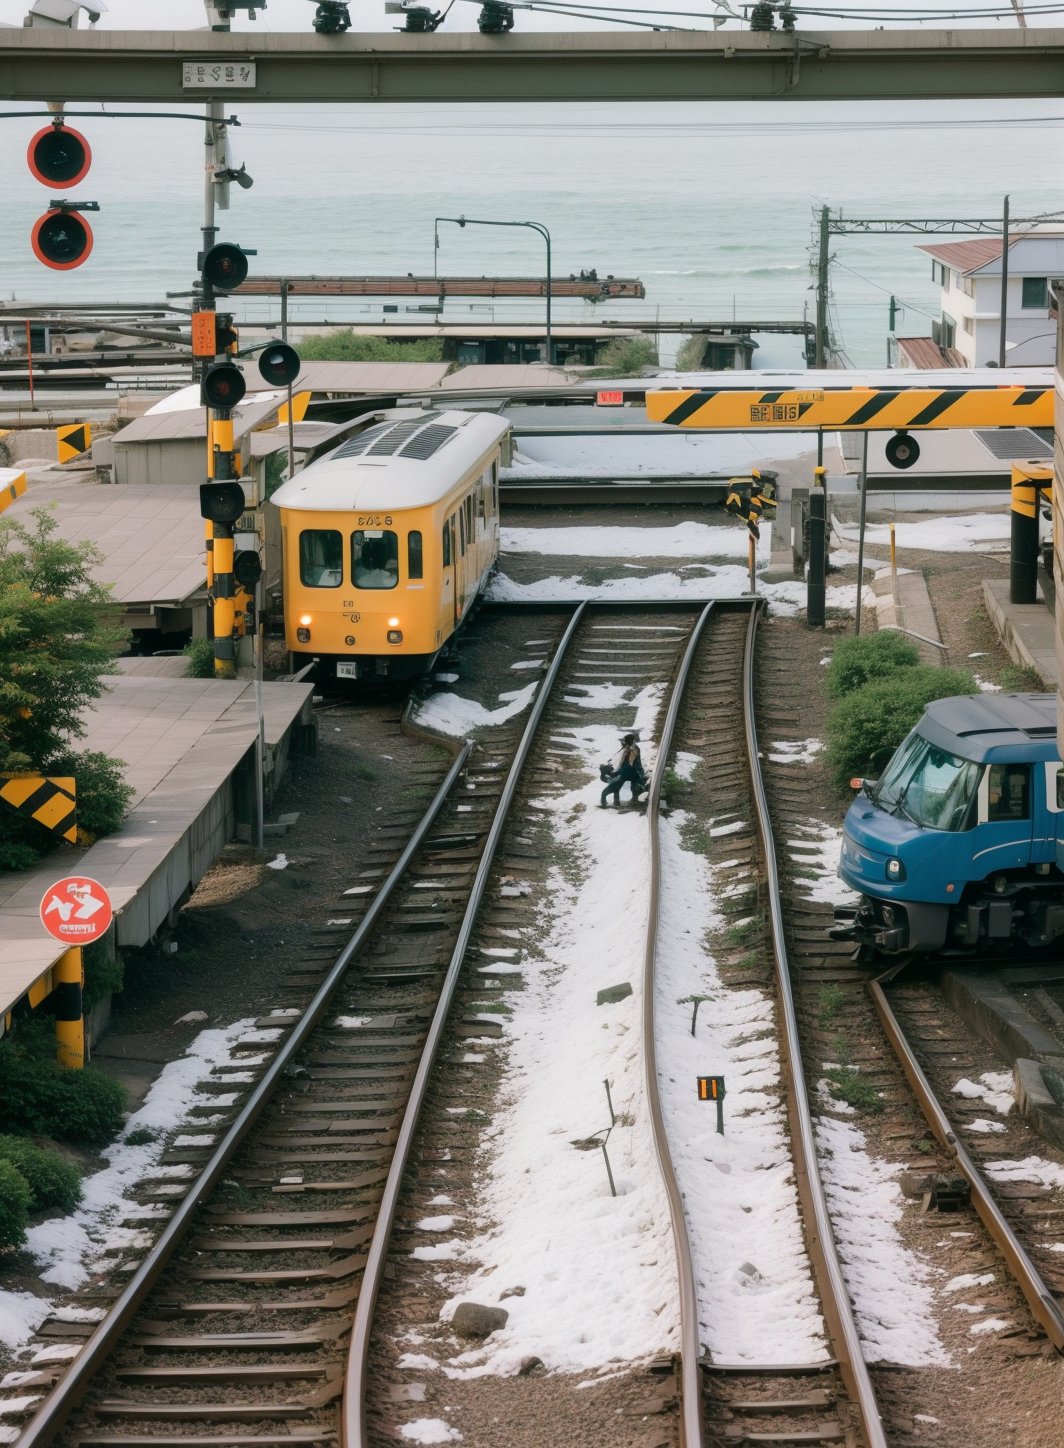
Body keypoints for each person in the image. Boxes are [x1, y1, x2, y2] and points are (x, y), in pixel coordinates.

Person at [724, 468, 779, 541]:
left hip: (746, 491)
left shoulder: (749, 513)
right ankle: (767, 483)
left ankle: (767, 482)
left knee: (760, 496)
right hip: (741, 490)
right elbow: (751, 525)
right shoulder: (744, 513)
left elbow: (751, 525)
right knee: (760, 497)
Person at [600, 733, 647, 808]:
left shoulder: (634, 749)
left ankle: (632, 802)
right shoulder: (627, 749)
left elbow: (636, 762)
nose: (624, 743)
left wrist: (639, 772)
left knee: (629, 787)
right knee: (617, 786)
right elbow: (619, 759)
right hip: (627, 771)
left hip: (631, 771)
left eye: (625, 742)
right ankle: (615, 802)